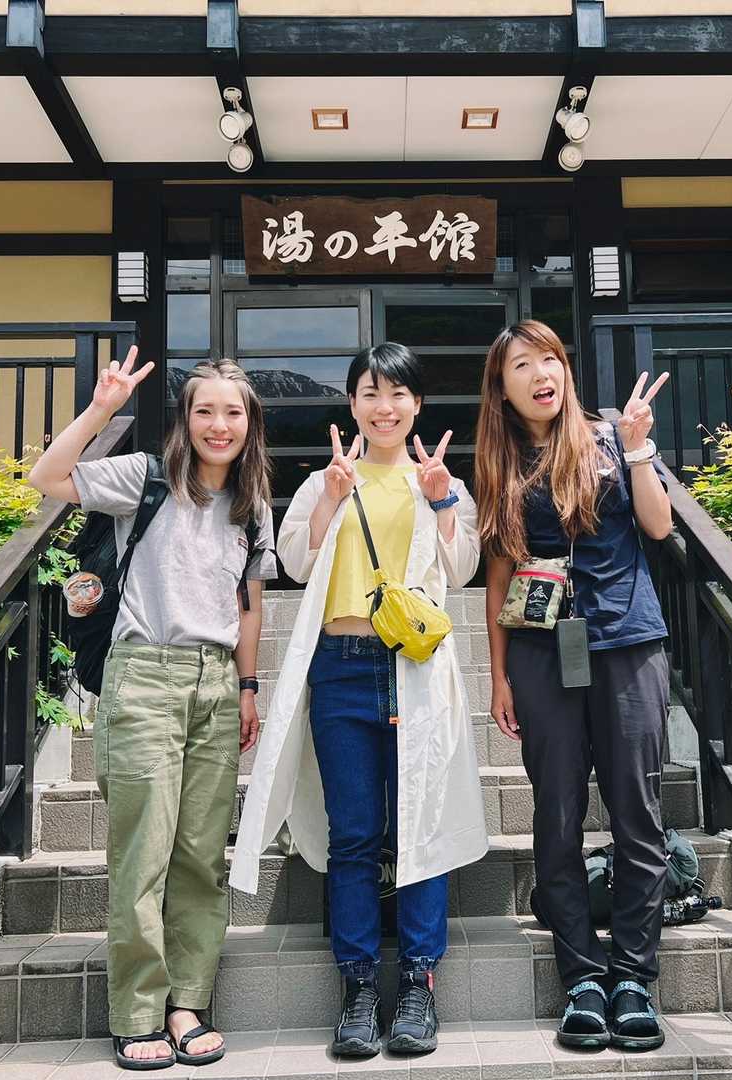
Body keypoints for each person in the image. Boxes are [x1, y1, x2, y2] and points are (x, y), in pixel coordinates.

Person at [232, 343, 486, 1058]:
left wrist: (442, 501)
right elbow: (294, 563)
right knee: (353, 834)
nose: (384, 407)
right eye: (370, 393)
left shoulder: (441, 480)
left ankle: (418, 984)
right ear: (352, 404)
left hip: (414, 668)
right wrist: (331, 499)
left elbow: (463, 568)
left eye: (398, 393)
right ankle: (359, 987)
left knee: (420, 826)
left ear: (417, 404)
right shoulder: (325, 480)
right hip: (340, 669)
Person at [29, 352, 276, 1071]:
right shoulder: (143, 478)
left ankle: (186, 1003)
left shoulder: (252, 505)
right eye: (205, 411)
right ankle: (137, 1012)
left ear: (250, 423)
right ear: (185, 419)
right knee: (144, 854)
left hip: (216, 684)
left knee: (200, 855)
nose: (219, 425)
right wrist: (101, 408)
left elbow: (249, 607)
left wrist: (248, 686)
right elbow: (47, 477)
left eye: (233, 412)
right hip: (144, 678)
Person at [474, 320, 674, 1052]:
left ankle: (634, 978)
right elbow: (499, 575)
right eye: (521, 366)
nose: (540, 374)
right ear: (502, 388)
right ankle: (583, 978)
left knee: (637, 814)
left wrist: (641, 446)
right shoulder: (499, 462)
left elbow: (658, 527)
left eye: (549, 359)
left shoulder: (612, 439)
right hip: (540, 651)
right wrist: (498, 674)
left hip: (626, 642)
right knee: (556, 814)